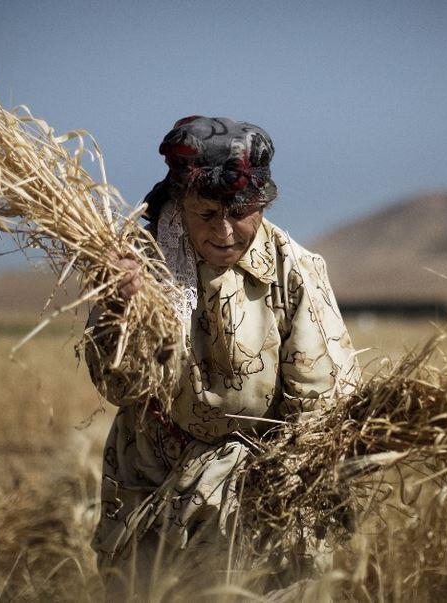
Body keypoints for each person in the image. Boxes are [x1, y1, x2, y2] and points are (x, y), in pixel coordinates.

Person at [84, 116, 360, 599]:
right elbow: (118, 387)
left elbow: (323, 400)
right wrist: (118, 309)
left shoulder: (294, 269)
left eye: (241, 212)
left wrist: (288, 482)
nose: (226, 231)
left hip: (257, 492)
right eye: (207, 214)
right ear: (180, 204)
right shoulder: (139, 265)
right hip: (149, 486)